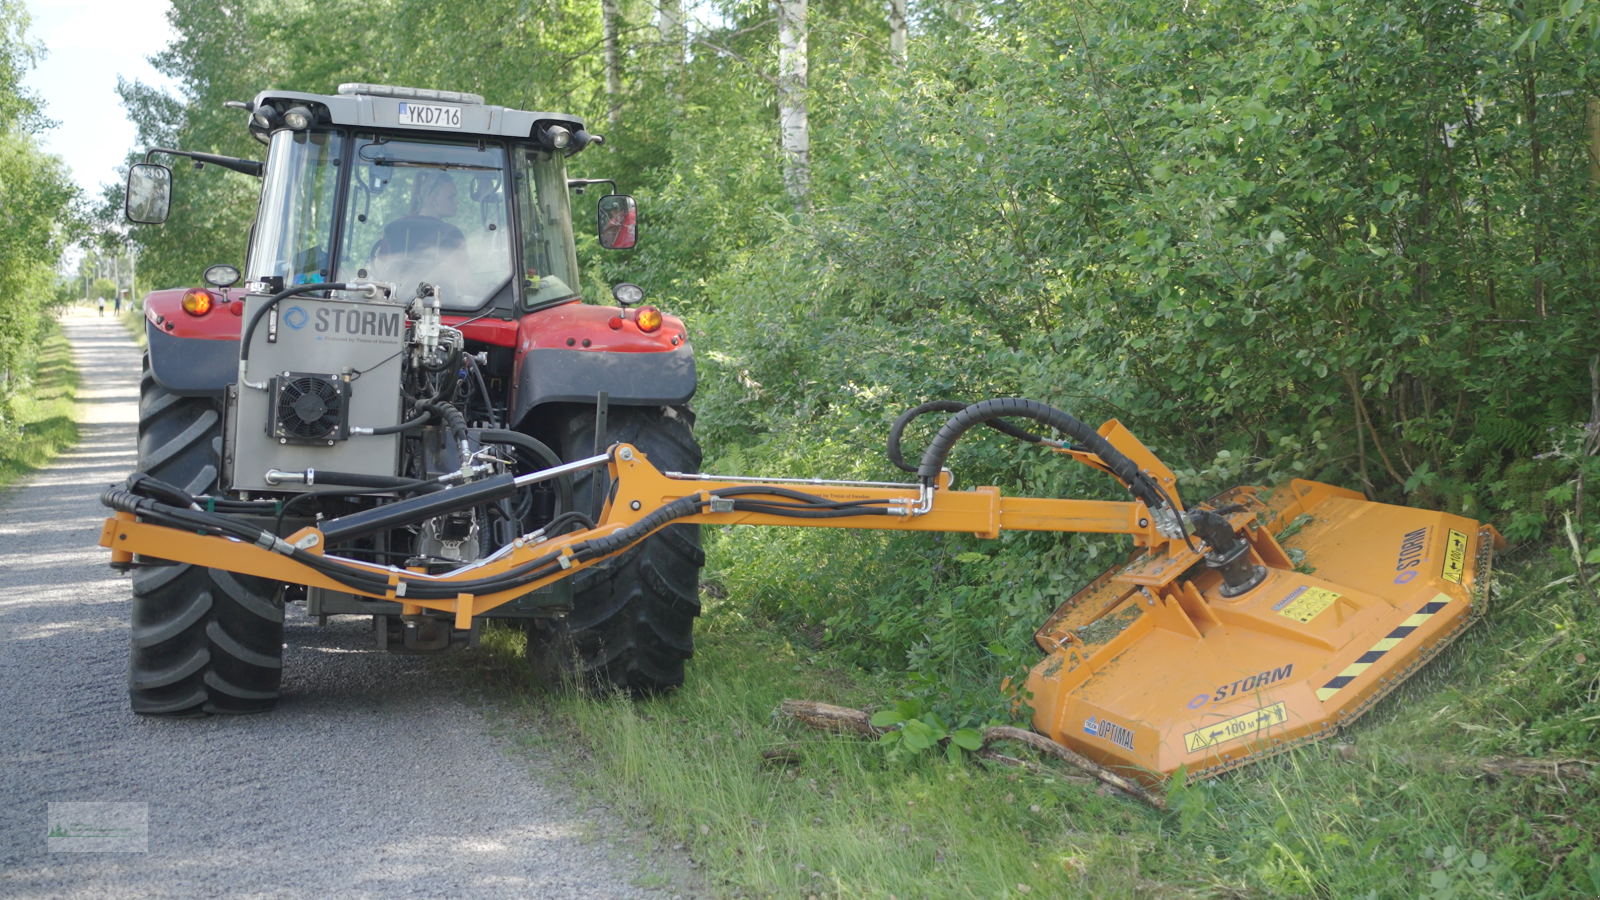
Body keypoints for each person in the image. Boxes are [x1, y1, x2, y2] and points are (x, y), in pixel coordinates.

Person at [372, 171, 469, 287]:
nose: (456, 202)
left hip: (396, 303)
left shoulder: (393, 229)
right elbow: (465, 284)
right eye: (451, 197)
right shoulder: (452, 234)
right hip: (441, 303)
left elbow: (379, 275)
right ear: (432, 199)